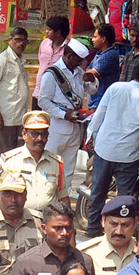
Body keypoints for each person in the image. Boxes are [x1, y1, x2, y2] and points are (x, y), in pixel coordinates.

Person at [84, 59, 139, 237]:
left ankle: (92, 229)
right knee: (124, 198)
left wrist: (90, 135)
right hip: (127, 156)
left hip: (104, 149)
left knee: (98, 192)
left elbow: (99, 115)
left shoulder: (115, 88)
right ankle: (121, 234)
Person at [38, 37, 94, 187]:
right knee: (49, 169)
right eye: (79, 60)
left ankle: (64, 203)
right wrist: (64, 114)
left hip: (75, 129)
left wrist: (92, 80)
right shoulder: (51, 74)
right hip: (56, 129)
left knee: (68, 170)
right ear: (69, 57)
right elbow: (43, 101)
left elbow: (92, 89)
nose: (81, 63)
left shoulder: (79, 72)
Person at [0, 110, 67, 212]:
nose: (39, 139)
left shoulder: (56, 163)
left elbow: (63, 197)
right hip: (18, 222)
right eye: (34, 134)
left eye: (43, 134)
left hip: (46, 222)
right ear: (24, 135)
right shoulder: (8, 161)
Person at [0, 27, 30, 166]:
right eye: (17, 40)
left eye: (23, 41)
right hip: (5, 118)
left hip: (18, 118)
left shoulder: (19, 61)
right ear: (10, 40)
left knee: (14, 159)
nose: (20, 44)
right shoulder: (3, 60)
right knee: (2, 159)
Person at [35, 15, 70, 100]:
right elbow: (41, 61)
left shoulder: (70, 48)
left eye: (49, 29)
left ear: (58, 32)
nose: (46, 31)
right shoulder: (44, 43)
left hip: (57, 95)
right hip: (38, 92)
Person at [85, 24, 120, 108]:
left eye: (95, 37)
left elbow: (90, 74)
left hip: (102, 101)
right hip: (94, 99)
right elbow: (88, 70)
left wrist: (90, 73)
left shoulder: (110, 55)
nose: (92, 40)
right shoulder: (99, 54)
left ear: (103, 39)